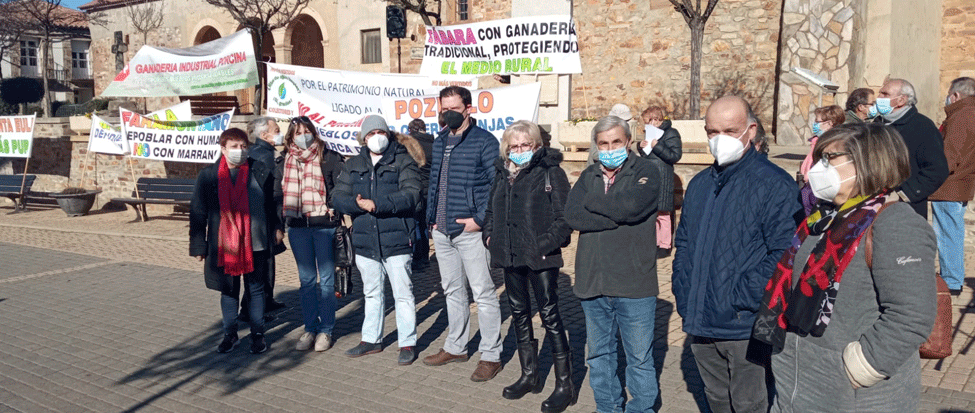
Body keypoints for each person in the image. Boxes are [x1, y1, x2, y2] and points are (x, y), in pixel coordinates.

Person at [753, 123, 937, 412]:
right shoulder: (822, 219)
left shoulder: (896, 223)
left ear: (867, 161)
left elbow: (911, 316)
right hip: (796, 387)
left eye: (829, 158)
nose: (817, 167)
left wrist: (860, 368)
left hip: (856, 398)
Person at [672, 96, 801, 413]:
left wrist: (743, 295)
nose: (719, 140)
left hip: (745, 324)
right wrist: (684, 289)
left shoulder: (775, 185)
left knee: (748, 403)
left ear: (751, 130)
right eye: (712, 132)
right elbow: (685, 243)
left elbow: (786, 253)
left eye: (730, 131)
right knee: (715, 398)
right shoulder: (701, 184)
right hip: (700, 319)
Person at [565, 115, 661, 413]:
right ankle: (607, 408)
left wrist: (594, 204)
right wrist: (616, 217)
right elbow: (571, 215)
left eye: (616, 141)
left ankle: (641, 409)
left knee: (639, 359)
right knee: (599, 356)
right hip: (593, 281)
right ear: (596, 145)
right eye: (603, 143)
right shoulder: (588, 175)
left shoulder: (647, 170)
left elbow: (632, 207)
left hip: (634, 282)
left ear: (628, 142)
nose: (610, 148)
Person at [482, 121, 574, 412]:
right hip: (510, 257)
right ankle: (529, 374)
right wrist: (489, 236)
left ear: (536, 146)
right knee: (519, 314)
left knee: (550, 316)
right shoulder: (501, 175)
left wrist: (540, 245)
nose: (519, 151)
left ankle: (564, 385)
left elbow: (565, 220)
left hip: (540, 258)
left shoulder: (550, 173)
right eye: (514, 146)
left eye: (525, 145)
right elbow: (490, 212)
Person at [422, 86, 503, 382]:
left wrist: (479, 220)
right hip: (442, 231)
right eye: (444, 109)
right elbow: (435, 185)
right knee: (452, 291)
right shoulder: (440, 140)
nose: (448, 114)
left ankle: (491, 355)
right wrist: (432, 220)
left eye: (454, 108)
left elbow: (497, 185)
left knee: (483, 293)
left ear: (468, 108)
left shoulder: (484, 141)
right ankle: (456, 347)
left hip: (469, 231)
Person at [333, 115, 424, 365]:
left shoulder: (403, 160)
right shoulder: (353, 164)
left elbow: (412, 195)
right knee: (372, 293)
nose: (376, 137)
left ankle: (407, 342)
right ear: (364, 138)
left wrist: (378, 205)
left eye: (379, 132)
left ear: (387, 134)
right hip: (365, 242)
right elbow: (337, 196)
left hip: (396, 239)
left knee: (403, 294)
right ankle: (371, 339)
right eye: (370, 133)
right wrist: (355, 204)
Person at [190, 128, 282, 354]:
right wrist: (198, 244)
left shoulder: (259, 170)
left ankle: (258, 334)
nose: (239, 151)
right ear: (223, 148)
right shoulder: (209, 176)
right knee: (229, 291)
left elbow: (274, 202)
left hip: (256, 242)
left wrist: (278, 228)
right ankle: (230, 334)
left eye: (243, 146)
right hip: (224, 245)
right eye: (234, 146)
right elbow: (198, 211)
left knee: (257, 289)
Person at [282, 115, 344, 353]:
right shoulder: (286, 159)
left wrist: (331, 206)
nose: (303, 136)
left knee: (327, 282)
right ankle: (310, 328)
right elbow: (279, 192)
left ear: (314, 132)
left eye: (306, 131)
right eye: (297, 132)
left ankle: (326, 330)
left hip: (323, 226)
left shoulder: (328, 158)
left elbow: (339, 188)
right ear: (291, 137)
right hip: (297, 227)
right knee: (307, 282)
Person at [875, 78, 949, 218]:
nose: (879, 98)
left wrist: (904, 194)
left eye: (885, 94)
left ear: (901, 100)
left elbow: (937, 170)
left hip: (904, 209)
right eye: (880, 93)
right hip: (871, 205)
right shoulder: (876, 125)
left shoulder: (923, 127)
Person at [930, 77, 975, 295]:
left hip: (950, 185)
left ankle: (951, 280)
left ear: (955, 95)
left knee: (947, 233)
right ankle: (952, 278)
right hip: (960, 183)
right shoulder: (970, 114)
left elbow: (950, 155)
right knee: (952, 231)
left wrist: (931, 176)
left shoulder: (961, 117)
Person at [240, 117, 286, 320]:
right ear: (264, 135)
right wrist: (277, 224)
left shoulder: (259, 153)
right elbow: (271, 195)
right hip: (263, 220)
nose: (279, 132)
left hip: (258, 218)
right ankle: (252, 308)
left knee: (266, 264)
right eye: (276, 130)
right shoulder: (264, 156)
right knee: (262, 266)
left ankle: (264, 301)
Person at [639, 106, 682, 252]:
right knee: (652, 213)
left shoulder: (671, 133)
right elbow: (647, 156)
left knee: (663, 213)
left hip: (663, 177)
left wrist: (657, 146)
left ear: (656, 120)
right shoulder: (649, 133)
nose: (647, 125)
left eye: (649, 121)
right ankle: (655, 243)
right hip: (650, 177)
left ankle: (665, 245)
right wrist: (641, 147)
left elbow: (675, 156)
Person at [799, 105, 845, 215]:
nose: (814, 124)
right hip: (809, 186)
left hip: (819, 189)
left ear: (829, 123)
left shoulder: (831, 144)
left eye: (817, 121)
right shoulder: (817, 142)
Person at [408, 118, 434, 265]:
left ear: (410, 130)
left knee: (416, 222)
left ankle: (418, 256)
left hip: (416, 187)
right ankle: (425, 256)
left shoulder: (410, 145)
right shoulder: (434, 143)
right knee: (425, 222)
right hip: (431, 187)